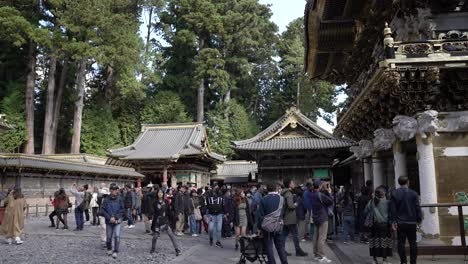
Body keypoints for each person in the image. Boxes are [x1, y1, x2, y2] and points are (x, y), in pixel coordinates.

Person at [390, 176, 421, 264]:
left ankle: (403, 261)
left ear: (399, 183)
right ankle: (413, 262)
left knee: (401, 242)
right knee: (413, 243)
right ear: (407, 182)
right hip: (411, 222)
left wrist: (393, 221)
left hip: (400, 222)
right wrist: (418, 220)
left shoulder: (394, 193)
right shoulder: (414, 193)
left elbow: (393, 209)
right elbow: (417, 208)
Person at [256, 182, 288, 264]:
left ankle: (272, 262)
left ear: (267, 189)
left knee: (269, 247)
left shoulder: (263, 199)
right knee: (280, 247)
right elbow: (284, 212)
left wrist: (259, 227)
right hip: (278, 225)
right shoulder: (282, 199)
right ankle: (284, 262)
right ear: (276, 188)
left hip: (267, 227)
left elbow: (260, 216)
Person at [150, 188, 181, 256]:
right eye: (159, 192)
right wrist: (151, 218)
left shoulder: (166, 202)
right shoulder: (154, 202)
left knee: (171, 235)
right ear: (157, 194)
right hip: (157, 222)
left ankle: (177, 249)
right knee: (155, 236)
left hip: (165, 221)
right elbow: (152, 212)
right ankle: (153, 248)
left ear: (163, 194)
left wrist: (174, 218)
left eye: (161, 192)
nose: (160, 194)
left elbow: (169, 212)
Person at [366, 188, 393, 264]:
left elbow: (365, 211)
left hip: (374, 225)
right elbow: (391, 213)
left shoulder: (371, 202)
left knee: (374, 242)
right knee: (385, 242)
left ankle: (374, 260)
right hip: (385, 225)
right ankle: (384, 260)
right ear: (383, 194)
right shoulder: (387, 202)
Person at [281, 179, 308, 257]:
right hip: (290, 217)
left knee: (284, 234)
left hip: (285, 217)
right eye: (293, 183)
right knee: (295, 235)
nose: (294, 184)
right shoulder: (289, 193)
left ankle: (282, 250)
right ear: (289, 184)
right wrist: (296, 203)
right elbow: (290, 206)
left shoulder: (283, 192)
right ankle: (298, 251)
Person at [310, 180, 333, 263]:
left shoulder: (311, 194)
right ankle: (321, 255)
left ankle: (316, 254)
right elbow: (330, 201)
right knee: (322, 237)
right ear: (319, 186)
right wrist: (329, 193)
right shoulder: (320, 195)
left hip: (315, 217)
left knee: (316, 236)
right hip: (323, 217)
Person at [101, 183, 125, 259]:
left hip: (117, 220)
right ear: (110, 190)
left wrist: (115, 217)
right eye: (113, 189)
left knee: (117, 236)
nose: (115, 191)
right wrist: (109, 218)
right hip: (109, 220)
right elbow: (103, 210)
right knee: (108, 237)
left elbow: (122, 210)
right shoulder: (106, 199)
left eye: (116, 189)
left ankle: (116, 251)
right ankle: (109, 248)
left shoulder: (120, 198)